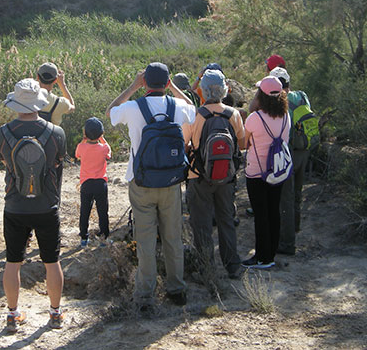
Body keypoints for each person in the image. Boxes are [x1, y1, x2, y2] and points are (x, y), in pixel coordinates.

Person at [106, 62, 195, 307]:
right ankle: (176, 289)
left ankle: (145, 294)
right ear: (166, 83)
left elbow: (110, 112)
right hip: (171, 181)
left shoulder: (134, 107)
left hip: (142, 181)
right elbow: (193, 108)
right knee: (173, 237)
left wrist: (133, 86)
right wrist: (174, 87)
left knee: (145, 240)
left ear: (145, 83)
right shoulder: (177, 105)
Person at [0, 78, 67, 332]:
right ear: (39, 103)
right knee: (52, 261)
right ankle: (55, 314)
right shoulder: (56, 133)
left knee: (12, 262)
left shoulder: (1, 134)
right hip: (47, 206)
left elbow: (5, 162)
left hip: (15, 206)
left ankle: (13, 315)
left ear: (15, 103)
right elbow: (57, 163)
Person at [185, 69, 245, 279]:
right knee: (226, 219)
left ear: (202, 91)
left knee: (201, 223)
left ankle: (207, 269)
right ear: (224, 90)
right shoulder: (233, 114)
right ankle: (233, 265)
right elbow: (243, 143)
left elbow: (185, 144)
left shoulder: (195, 115)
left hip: (198, 176)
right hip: (227, 176)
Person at [243, 76, 290, 269]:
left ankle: (262, 258)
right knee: (273, 212)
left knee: (261, 215)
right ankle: (270, 253)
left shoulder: (254, 118)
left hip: (257, 172)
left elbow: (244, 143)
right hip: (278, 170)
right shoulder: (286, 115)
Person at [270, 67, 311, 255]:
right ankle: (294, 227)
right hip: (304, 149)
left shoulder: (279, 100)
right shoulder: (301, 96)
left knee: (284, 197)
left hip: (287, 153)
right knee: (297, 193)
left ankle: (287, 243)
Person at [75, 117, 112, 248]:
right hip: (101, 183)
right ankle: (104, 237)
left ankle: (84, 238)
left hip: (86, 184)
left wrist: (84, 139)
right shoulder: (104, 148)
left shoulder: (81, 147)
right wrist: (102, 139)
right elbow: (109, 153)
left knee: (84, 211)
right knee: (103, 211)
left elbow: (77, 155)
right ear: (101, 134)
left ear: (85, 133)